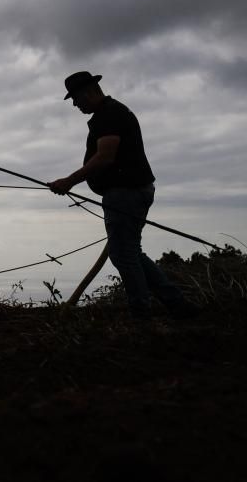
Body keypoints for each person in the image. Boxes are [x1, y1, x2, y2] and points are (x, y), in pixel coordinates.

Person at [49, 71, 198, 319]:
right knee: (130, 251)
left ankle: (141, 313)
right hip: (133, 191)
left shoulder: (108, 115)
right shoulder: (113, 111)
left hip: (125, 193)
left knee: (124, 254)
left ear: (88, 93)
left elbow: (105, 157)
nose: (74, 104)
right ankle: (176, 304)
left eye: (75, 98)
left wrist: (69, 181)